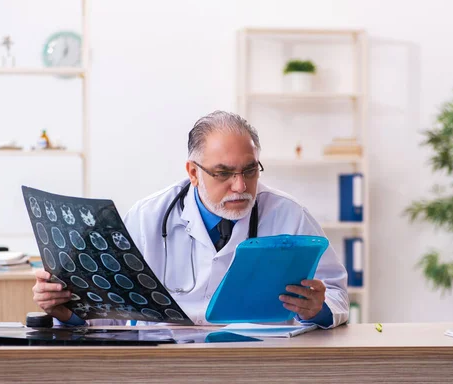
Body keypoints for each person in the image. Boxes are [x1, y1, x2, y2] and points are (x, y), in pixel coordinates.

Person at [33, 111, 349, 328]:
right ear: (193, 173)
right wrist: (69, 312)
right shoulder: (147, 218)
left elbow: (336, 294)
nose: (240, 186)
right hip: (167, 364)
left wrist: (317, 309)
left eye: (250, 170)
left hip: (258, 362)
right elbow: (113, 310)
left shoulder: (289, 215)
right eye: (224, 173)